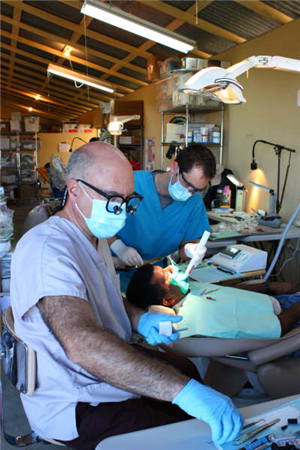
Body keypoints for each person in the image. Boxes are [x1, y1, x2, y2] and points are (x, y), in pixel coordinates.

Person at [10, 142, 243, 449]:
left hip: (101, 375)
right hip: (77, 400)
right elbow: (82, 344)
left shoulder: (95, 238)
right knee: (190, 430)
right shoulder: (47, 250)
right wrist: (183, 392)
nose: (120, 210)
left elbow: (104, 297)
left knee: (185, 369)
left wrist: (139, 318)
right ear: (74, 189)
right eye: (112, 199)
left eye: (127, 200)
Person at [126, 264, 300, 341]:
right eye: (166, 275)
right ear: (168, 300)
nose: (172, 269)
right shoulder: (202, 318)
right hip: (291, 323)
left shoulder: (185, 291)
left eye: (165, 268)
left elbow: (231, 294)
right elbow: (277, 329)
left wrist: (268, 287)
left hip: (279, 302)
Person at [109, 143, 216, 267]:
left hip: (158, 271)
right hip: (116, 268)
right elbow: (97, 222)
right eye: (187, 184)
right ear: (175, 168)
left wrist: (189, 250)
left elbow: (183, 250)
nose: (189, 193)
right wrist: (119, 248)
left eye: (196, 190)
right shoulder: (132, 183)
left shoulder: (194, 202)